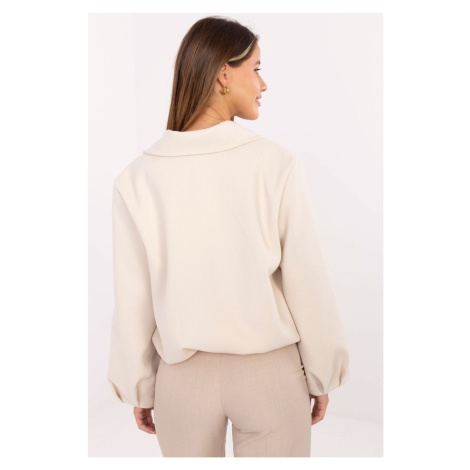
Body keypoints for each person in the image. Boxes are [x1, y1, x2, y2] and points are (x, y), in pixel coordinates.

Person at [107, 15, 350, 457]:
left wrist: (139, 384)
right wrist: (321, 373)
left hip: (182, 382)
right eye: (255, 68)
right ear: (223, 73)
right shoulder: (274, 164)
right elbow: (306, 277)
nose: (263, 84)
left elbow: (133, 298)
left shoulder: (137, 178)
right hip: (269, 376)